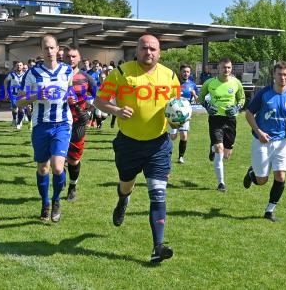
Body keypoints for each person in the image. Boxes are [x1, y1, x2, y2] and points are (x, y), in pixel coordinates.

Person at [93, 34, 180, 264]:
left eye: (153, 49)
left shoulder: (170, 76)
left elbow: (178, 109)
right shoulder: (121, 73)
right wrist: (116, 110)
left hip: (158, 144)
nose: (148, 52)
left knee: (158, 193)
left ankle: (157, 247)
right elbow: (99, 101)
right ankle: (123, 199)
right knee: (126, 184)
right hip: (128, 143)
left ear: (159, 52)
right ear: (137, 50)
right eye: (144, 48)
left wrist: (177, 122)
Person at [17, 34, 74, 223]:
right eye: (45, 48)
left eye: (52, 47)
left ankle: (57, 200)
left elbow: (71, 92)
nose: (49, 51)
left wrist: (72, 98)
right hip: (41, 125)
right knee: (43, 168)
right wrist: (35, 95)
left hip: (62, 124)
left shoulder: (67, 70)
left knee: (58, 167)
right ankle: (45, 202)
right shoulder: (32, 73)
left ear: (58, 49)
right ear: (41, 50)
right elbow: (19, 101)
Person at [243, 61, 286, 222]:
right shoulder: (264, 93)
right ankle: (252, 173)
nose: (282, 77)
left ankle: (269, 211)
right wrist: (259, 131)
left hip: (281, 142)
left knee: (281, 177)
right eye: (279, 74)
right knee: (262, 180)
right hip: (262, 141)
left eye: (285, 74)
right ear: (273, 75)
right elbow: (249, 114)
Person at [198, 57, 246, 192]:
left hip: (230, 120)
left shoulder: (236, 83)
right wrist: (207, 106)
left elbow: (242, 99)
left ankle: (212, 148)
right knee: (220, 148)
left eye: (229, 67)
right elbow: (201, 98)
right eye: (224, 67)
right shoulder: (209, 83)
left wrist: (237, 108)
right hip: (215, 119)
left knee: (226, 155)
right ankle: (221, 184)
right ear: (218, 68)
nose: (226, 70)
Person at [63, 46, 97, 201]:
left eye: (74, 56)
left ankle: (72, 186)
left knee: (73, 159)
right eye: (68, 56)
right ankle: (60, 172)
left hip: (78, 121)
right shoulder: (57, 76)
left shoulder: (86, 78)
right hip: (58, 121)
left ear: (79, 58)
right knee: (54, 155)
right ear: (63, 57)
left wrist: (89, 111)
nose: (71, 59)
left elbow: (99, 97)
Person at [169, 64, 199, 164]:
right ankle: (166, 153)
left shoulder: (192, 85)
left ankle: (180, 157)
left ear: (190, 73)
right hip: (173, 114)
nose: (186, 73)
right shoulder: (175, 83)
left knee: (184, 135)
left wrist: (194, 94)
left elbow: (198, 100)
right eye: (184, 71)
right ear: (180, 72)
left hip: (185, 115)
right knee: (173, 137)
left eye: (188, 72)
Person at [4, 61, 26, 129]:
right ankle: (14, 119)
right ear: (15, 67)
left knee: (21, 108)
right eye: (17, 65)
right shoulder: (12, 74)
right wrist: (6, 92)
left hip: (22, 94)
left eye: (20, 65)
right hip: (13, 94)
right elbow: (5, 81)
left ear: (22, 66)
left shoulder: (25, 75)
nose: (19, 66)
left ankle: (19, 123)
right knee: (14, 108)